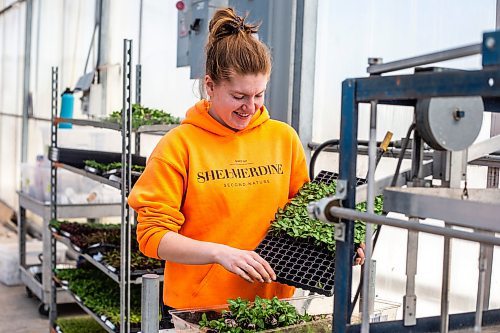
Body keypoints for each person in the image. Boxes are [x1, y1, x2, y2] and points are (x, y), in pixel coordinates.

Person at [128, 7, 364, 322]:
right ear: (210, 86)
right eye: (239, 96)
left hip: (275, 308)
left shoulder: (283, 139)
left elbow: (305, 215)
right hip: (200, 311)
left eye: (259, 95)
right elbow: (152, 236)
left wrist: (340, 244)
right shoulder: (179, 146)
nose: (249, 107)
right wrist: (218, 252)